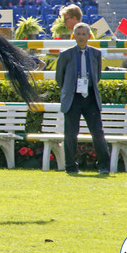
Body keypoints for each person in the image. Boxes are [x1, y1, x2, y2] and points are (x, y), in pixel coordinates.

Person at [55, 22, 110, 175]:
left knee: (98, 133)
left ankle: (104, 166)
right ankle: (71, 166)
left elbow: (97, 76)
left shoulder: (96, 53)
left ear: (88, 36)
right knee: (71, 134)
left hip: (90, 97)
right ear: (74, 36)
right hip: (73, 98)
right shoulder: (65, 54)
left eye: (83, 34)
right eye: (78, 34)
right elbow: (59, 77)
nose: (81, 37)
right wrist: (70, 90)